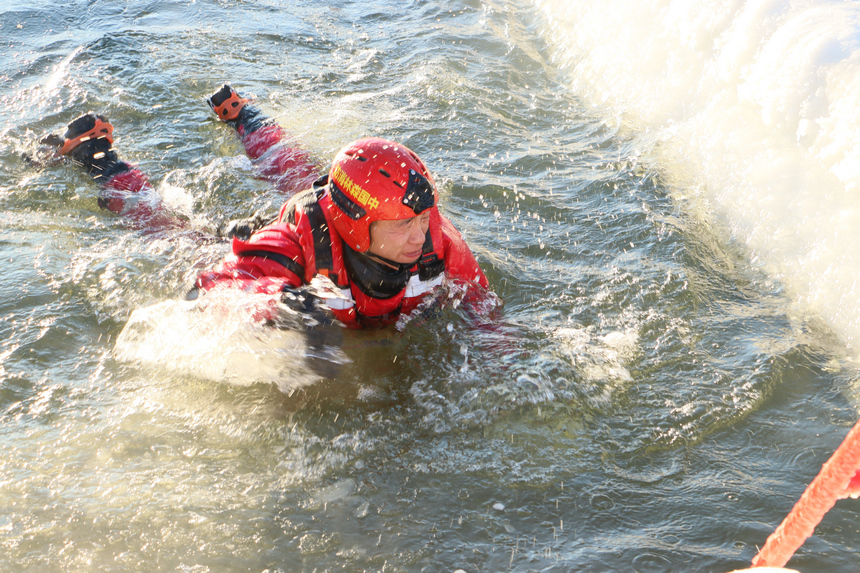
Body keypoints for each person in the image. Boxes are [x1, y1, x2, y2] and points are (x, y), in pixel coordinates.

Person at [32, 85, 491, 332]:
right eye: (403, 224)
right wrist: (282, 303)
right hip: (292, 237)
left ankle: (243, 112)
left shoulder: (435, 236)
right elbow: (219, 289)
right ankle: (99, 159)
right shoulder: (292, 243)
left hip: (332, 208)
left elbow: (484, 308)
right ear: (356, 220)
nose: (421, 234)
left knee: (294, 168)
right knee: (168, 232)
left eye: (423, 219)